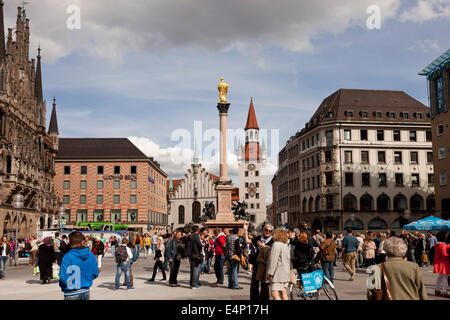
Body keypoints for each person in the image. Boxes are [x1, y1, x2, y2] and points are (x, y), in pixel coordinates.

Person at [367, 236, 427, 300]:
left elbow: (370, 294)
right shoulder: (414, 267)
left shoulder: (376, 269)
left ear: (386, 251)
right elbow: (421, 291)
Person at [59, 231, 98, 300]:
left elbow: (63, 277)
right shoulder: (90, 255)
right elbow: (95, 273)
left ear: (69, 242)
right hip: (85, 291)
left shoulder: (67, 257)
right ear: (82, 242)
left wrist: (63, 286)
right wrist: (86, 280)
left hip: (71, 292)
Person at [243, 222, 274, 300]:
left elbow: (273, 251)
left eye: (270, 231)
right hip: (257, 262)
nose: (267, 232)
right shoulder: (259, 238)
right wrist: (245, 230)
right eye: (266, 230)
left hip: (266, 263)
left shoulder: (273, 241)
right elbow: (247, 241)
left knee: (264, 283)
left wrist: (264, 246)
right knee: (254, 282)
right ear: (263, 230)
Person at [265, 228, 290, 300]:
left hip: (278, 273)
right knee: (283, 291)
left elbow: (273, 260)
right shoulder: (285, 245)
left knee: (274, 293)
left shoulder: (276, 245)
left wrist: (269, 272)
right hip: (285, 272)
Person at [433, 231, 450, 298]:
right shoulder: (442, 244)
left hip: (440, 262)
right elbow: (445, 254)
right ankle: (444, 291)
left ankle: (437, 290)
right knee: (444, 277)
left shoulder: (438, 244)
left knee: (440, 277)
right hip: (443, 263)